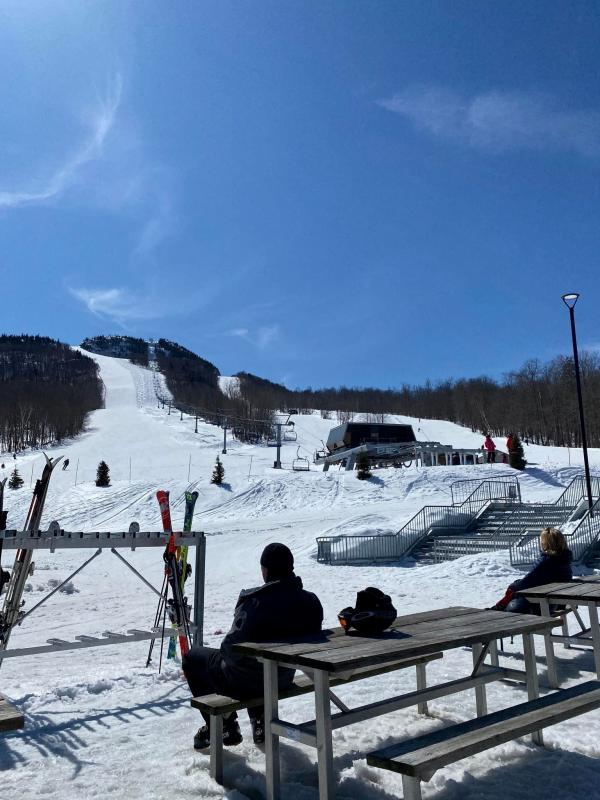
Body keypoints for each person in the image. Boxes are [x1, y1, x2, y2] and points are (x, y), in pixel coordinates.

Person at [183, 543, 323, 750]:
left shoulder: (255, 603)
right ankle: (258, 720)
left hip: (248, 683)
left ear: (265, 570)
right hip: (284, 677)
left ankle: (225, 724)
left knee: (194, 658)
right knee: (258, 665)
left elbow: (230, 650)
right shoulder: (311, 601)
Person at [491, 527, 572, 614]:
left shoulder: (546, 561)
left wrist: (513, 585)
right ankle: (499, 607)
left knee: (514, 590)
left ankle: (499, 608)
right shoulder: (564, 559)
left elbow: (527, 581)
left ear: (545, 543)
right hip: (557, 601)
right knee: (517, 587)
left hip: (543, 603)